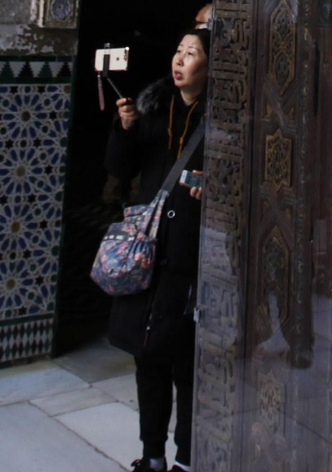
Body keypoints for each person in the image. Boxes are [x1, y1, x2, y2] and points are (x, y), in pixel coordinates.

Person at [108, 26, 208, 472]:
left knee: (186, 364)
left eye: (192, 52)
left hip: (189, 262)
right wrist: (124, 129)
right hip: (147, 258)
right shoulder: (153, 109)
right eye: (179, 50)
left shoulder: (221, 118)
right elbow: (119, 167)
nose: (181, 59)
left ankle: (187, 458)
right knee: (146, 357)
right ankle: (152, 456)